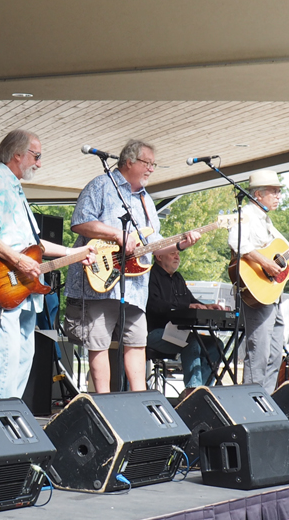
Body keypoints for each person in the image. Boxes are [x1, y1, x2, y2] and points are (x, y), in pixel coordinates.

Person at [0, 129, 94, 400]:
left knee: (22, 360)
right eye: (36, 155)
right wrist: (17, 259)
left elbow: (35, 246)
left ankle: (6, 419)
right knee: (7, 363)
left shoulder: (13, 186)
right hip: (1, 284)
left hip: (23, 286)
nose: (39, 163)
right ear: (17, 154)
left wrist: (76, 252)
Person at [64, 140, 199, 393]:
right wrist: (117, 234)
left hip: (135, 285)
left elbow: (154, 244)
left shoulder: (147, 200)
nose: (151, 169)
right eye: (147, 163)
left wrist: (180, 244)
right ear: (128, 161)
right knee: (98, 343)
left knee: (137, 342)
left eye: (153, 164)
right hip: (100, 279)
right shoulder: (101, 185)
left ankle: (140, 400)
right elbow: (80, 222)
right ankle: (101, 401)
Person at [227, 169, 289, 390]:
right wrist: (265, 263)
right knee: (259, 351)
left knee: (274, 351)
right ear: (258, 195)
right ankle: (252, 402)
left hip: (271, 295)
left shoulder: (265, 221)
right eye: (274, 192)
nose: (279, 196)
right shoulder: (246, 215)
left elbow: (285, 249)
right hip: (256, 291)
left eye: (279, 192)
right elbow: (237, 242)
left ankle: (266, 399)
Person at [145, 249, 224, 388]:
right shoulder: (150, 276)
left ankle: (202, 389)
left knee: (216, 344)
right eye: (172, 253)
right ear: (158, 256)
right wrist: (186, 305)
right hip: (155, 333)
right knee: (191, 341)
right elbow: (154, 305)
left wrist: (207, 307)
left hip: (179, 333)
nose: (177, 256)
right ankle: (192, 391)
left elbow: (191, 301)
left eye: (178, 254)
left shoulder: (178, 278)